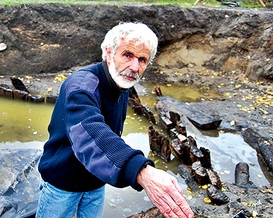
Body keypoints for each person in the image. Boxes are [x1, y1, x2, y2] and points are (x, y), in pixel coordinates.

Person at [36, 22, 194, 218]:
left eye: (142, 60)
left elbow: (110, 133)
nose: (135, 67)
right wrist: (141, 171)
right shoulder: (81, 86)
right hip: (63, 183)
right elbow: (90, 133)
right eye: (127, 55)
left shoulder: (122, 84)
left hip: (96, 181)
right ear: (108, 53)